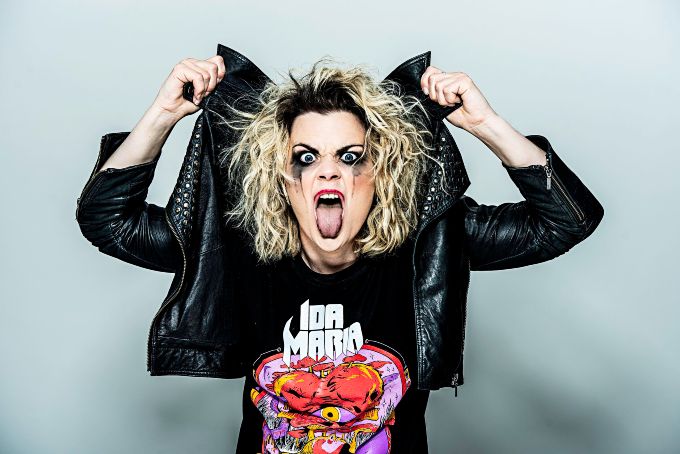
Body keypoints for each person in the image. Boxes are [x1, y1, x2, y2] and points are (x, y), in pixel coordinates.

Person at [76, 45, 604, 453]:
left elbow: (566, 221)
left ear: (380, 174)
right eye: (306, 157)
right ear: (282, 178)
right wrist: (163, 114)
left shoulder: (430, 244)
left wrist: (487, 125)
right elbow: (108, 221)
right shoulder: (235, 246)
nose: (328, 171)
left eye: (351, 156)